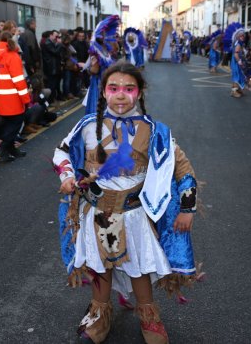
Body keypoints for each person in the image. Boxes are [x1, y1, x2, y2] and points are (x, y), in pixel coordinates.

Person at [53, 62, 199, 343]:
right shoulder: (86, 126)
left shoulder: (156, 131)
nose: (121, 95)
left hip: (134, 216)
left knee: (140, 267)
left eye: (129, 89)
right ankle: (99, 314)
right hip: (95, 214)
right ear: (104, 93)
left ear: (140, 92)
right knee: (99, 265)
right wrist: (68, 174)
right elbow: (62, 152)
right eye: (114, 88)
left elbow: (183, 169)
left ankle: (149, 318)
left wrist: (187, 208)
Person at [0, 31, 31, 162]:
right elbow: (19, 81)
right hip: (13, 98)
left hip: (0, 97)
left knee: (8, 122)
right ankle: (2, 146)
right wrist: (26, 99)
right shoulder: (13, 56)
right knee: (16, 123)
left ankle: (11, 149)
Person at [83, 15, 120, 115]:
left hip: (99, 83)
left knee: (98, 109)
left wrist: (87, 68)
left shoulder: (97, 51)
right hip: (107, 82)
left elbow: (94, 70)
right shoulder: (104, 51)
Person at [223, 23, 247, 98]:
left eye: (244, 35)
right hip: (236, 63)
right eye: (241, 35)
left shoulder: (237, 43)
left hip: (235, 62)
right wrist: (239, 62)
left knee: (238, 76)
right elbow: (236, 54)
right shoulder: (238, 44)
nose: (243, 37)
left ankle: (237, 90)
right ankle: (234, 92)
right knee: (237, 77)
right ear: (238, 36)